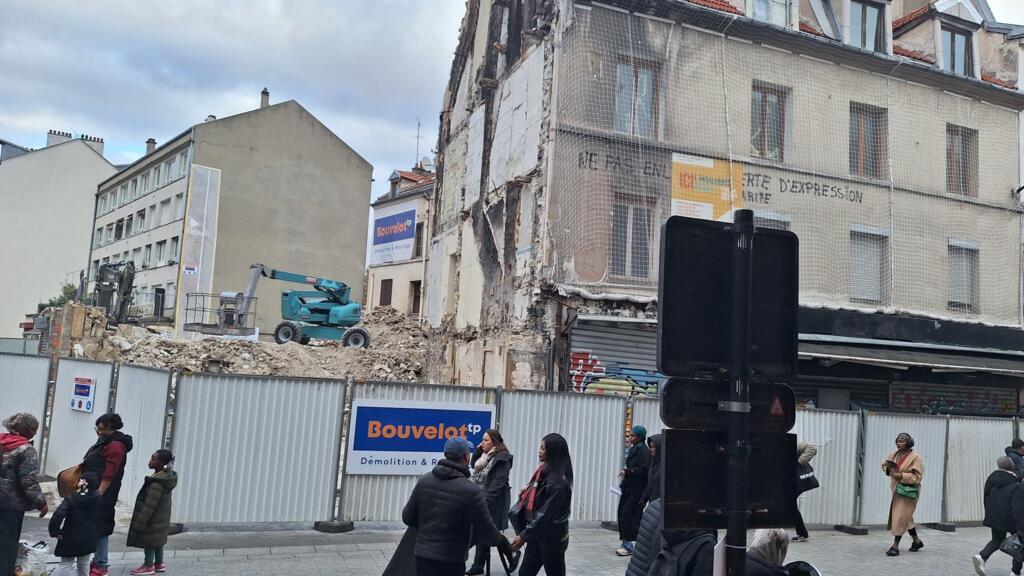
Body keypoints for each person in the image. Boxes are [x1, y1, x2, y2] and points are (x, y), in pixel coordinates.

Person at [402, 437, 510, 576]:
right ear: (466, 456)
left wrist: (429, 527)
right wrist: (502, 542)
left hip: (423, 556)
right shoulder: (470, 490)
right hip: (451, 560)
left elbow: (408, 517)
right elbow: (487, 531)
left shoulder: (424, 481)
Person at [511, 433, 573, 576]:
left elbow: (546, 514)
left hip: (552, 540)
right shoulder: (542, 473)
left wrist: (523, 536)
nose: (539, 451)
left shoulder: (559, 484)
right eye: (540, 447)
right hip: (537, 535)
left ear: (553, 452)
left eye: (543, 448)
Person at [85, 413, 133, 576]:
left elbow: (109, 474)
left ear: (112, 428)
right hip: (96, 489)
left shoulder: (116, 446)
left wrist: (98, 494)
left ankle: (101, 564)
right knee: (96, 525)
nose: (98, 431)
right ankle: (97, 559)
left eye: (102, 428)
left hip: (104, 493)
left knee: (101, 525)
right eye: (97, 427)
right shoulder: (105, 441)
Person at [0, 413, 47, 575]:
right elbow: (28, 481)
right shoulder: (26, 449)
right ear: (26, 430)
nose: (35, 432)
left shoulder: (1, 441)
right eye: (33, 429)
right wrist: (41, 502)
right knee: (6, 546)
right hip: (10, 506)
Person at [467, 429, 514, 576]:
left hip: (494, 501)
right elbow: (473, 464)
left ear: (495, 442)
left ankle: (509, 553)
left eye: (486, 440)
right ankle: (480, 564)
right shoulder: (484, 456)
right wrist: (478, 449)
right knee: (485, 530)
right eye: (482, 440)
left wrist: (485, 501)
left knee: (485, 530)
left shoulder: (502, 458)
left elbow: (498, 483)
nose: (482, 443)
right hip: (479, 498)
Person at [127, 450, 178, 576]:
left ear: (161, 463)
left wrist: (139, 523)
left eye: (153, 459)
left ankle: (148, 565)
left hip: (152, 519)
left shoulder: (156, 483)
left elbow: (149, 506)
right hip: (161, 517)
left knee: (149, 542)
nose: (150, 461)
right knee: (158, 540)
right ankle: (159, 563)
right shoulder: (166, 477)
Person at [974, 456, 1021, 576]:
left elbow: (986, 498)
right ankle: (1015, 572)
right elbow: (1017, 506)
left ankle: (981, 557)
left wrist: (990, 515)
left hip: (995, 516)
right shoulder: (1016, 483)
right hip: (1011, 518)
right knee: (1020, 543)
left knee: (997, 539)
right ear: (1012, 467)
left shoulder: (991, 480)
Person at [49, 472, 102, 576]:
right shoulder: (98, 498)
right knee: (84, 562)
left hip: (69, 536)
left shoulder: (71, 499)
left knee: (66, 563)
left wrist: (55, 531)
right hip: (88, 536)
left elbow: (58, 515)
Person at [882, 432, 924, 556]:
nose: (899, 443)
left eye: (902, 441)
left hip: (908, 491)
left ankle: (895, 546)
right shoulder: (894, 455)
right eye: (898, 441)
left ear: (909, 442)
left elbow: (917, 476)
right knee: (906, 517)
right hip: (896, 489)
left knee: (900, 516)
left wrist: (901, 475)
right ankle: (917, 541)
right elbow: (884, 465)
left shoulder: (915, 457)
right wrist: (890, 469)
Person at [617, 425, 651, 556]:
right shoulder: (633, 449)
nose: (630, 438)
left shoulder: (644, 452)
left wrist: (628, 471)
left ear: (640, 437)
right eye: (630, 435)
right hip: (629, 488)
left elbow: (644, 471)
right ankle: (626, 542)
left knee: (630, 515)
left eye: (633, 436)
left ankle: (631, 544)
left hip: (637, 490)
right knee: (622, 514)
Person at [793, 441, 818, 542]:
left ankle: (802, 534)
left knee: (791, 507)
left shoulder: (792, 444)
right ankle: (802, 534)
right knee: (791, 507)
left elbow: (812, 449)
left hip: (795, 482)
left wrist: (800, 462)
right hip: (788, 482)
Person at [640, 434, 663, 506]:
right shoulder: (654, 463)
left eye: (653, 447)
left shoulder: (666, 465)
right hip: (653, 503)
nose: (651, 449)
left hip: (661, 505)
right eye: (650, 447)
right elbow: (651, 483)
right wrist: (644, 497)